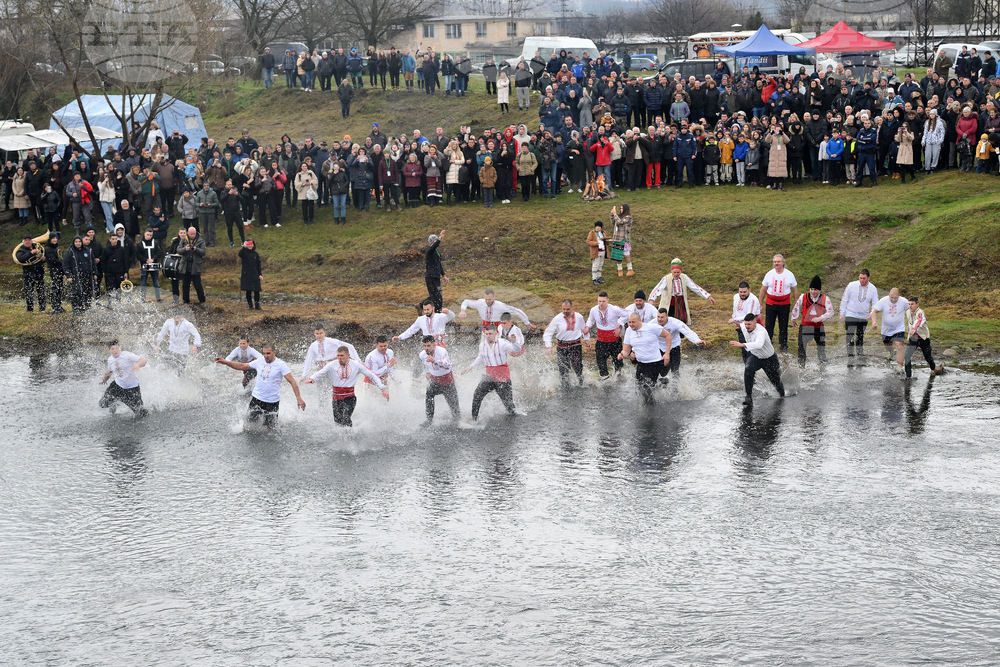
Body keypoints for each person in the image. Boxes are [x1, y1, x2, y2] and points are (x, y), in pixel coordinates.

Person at [215, 343, 305, 433]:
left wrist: (299, 398)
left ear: (274, 352)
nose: (266, 356)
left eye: (268, 353)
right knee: (246, 426)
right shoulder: (260, 361)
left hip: (272, 402)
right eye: (264, 353)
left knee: (269, 431)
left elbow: (292, 382)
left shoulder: (281, 365)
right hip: (257, 399)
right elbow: (243, 366)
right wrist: (226, 362)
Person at [305, 345, 389, 427]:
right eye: (338, 355)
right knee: (338, 423)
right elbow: (321, 372)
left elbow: (371, 375)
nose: (340, 358)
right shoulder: (332, 365)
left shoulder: (356, 365)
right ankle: (341, 439)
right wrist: (312, 378)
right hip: (336, 399)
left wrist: (382, 388)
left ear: (348, 355)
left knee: (346, 418)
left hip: (350, 397)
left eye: (342, 356)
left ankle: (350, 437)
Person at [461, 325, 523, 421]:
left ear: (495, 334)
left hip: (503, 378)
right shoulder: (482, 345)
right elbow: (480, 357)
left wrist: (514, 342)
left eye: (490, 334)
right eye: (486, 334)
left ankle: (514, 422)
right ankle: (474, 420)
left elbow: (517, 349)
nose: (488, 336)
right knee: (477, 395)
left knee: (509, 406)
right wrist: (471, 367)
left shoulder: (503, 343)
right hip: (489, 378)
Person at [730, 313, 785, 406]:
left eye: (749, 324)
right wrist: (733, 320)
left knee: (775, 381)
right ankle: (748, 397)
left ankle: (783, 397)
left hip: (769, 359)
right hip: (755, 356)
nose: (747, 327)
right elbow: (740, 322)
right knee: (748, 369)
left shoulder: (761, 331)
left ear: (755, 323)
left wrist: (742, 344)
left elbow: (759, 344)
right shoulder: (744, 326)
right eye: (746, 324)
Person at [618, 313, 672, 405]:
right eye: (629, 322)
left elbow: (668, 335)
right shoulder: (629, 331)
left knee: (647, 390)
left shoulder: (651, 328)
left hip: (654, 363)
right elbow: (626, 349)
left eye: (633, 322)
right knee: (639, 387)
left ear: (639, 321)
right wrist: (622, 354)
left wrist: (667, 354)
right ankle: (662, 382)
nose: (631, 324)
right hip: (641, 364)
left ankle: (651, 412)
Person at [648, 257, 716, 323]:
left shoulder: (684, 277)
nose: (676, 274)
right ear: (671, 270)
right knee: (667, 322)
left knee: (682, 321)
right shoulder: (666, 279)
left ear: (681, 271)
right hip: (669, 304)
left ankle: (681, 334)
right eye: (674, 272)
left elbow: (695, 287)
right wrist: (651, 299)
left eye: (678, 272)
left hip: (681, 304)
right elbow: (658, 289)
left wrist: (708, 296)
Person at [543, 299, 588, 388]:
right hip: (562, 347)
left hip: (576, 345)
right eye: (563, 309)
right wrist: (549, 346)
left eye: (567, 309)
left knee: (577, 366)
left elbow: (584, 329)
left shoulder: (579, 317)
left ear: (572, 308)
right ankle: (565, 388)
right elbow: (547, 333)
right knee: (563, 370)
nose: (565, 311)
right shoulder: (557, 319)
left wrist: (587, 339)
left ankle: (581, 383)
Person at [759, 254, 798, 353]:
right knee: (769, 326)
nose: (776, 263)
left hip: (784, 305)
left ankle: (783, 348)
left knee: (783, 326)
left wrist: (796, 305)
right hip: (771, 304)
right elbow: (763, 289)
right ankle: (767, 346)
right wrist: (760, 303)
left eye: (778, 262)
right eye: (775, 262)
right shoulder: (769, 274)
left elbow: (795, 290)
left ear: (783, 263)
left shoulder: (789, 274)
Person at [583, 292, 628, 379]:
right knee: (601, 362)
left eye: (603, 301)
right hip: (601, 341)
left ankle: (618, 379)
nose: (601, 303)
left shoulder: (614, 309)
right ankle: (605, 381)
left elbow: (627, 315)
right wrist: (587, 327)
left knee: (618, 362)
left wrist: (619, 326)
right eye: (599, 301)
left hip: (614, 341)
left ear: (608, 300)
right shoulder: (594, 310)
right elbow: (591, 320)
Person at [839, 269, 879, 366]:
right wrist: (842, 313)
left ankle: (860, 353)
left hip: (863, 316)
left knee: (860, 336)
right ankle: (850, 355)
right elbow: (844, 299)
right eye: (860, 278)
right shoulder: (851, 285)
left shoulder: (873, 288)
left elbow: (875, 303)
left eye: (864, 278)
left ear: (868, 278)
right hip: (850, 314)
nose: (862, 280)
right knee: (850, 335)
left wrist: (871, 313)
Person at [99, 340, 148, 418]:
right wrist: (104, 379)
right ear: (109, 350)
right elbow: (109, 371)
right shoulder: (110, 360)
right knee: (103, 404)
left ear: (120, 348)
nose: (115, 351)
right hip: (117, 386)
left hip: (132, 388)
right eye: (112, 349)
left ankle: (119, 399)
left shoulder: (127, 355)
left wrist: (138, 365)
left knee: (141, 412)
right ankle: (116, 401)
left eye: (117, 348)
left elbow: (143, 360)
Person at [791, 275, 833, 365]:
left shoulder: (825, 299)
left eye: (816, 290)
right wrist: (793, 318)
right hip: (805, 326)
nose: (813, 291)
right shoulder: (803, 296)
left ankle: (822, 365)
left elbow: (831, 312)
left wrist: (820, 318)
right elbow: (796, 307)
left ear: (819, 290)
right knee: (801, 346)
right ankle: (801, 365)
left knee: (821, 347)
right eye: (812, 289)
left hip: (819, 327)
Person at [656, 307, 706, 382]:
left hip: (674, 347)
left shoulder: (675, 322)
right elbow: (643, 333)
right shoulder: (653, 323)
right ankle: (664, 383)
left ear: (667, 317)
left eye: (662, 317)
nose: (659, 319)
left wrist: (697, 340)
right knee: (663, 372)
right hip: (661, 348)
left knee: (675, 370)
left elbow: (687, 331)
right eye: (658, 317)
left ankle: (677, 389)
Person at [420, 335, 460, 426]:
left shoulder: (442, 351)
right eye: (424, 346)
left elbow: (447, 364)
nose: (426, 348)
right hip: (435, 380)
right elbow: (426, 364)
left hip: (447, 381)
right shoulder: (422, 354)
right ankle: (429, 420)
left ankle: (457, 422)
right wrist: (427, 372)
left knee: (454, 406)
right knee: (429, 395)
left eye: (428, 346)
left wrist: (434, 360)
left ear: (434, 344)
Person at [903, 296, 943, 379]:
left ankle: (934, 369)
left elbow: (919, 322)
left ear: (917, 304)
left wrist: (913, 330)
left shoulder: (921, 313)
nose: (910, 306)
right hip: (913, 339)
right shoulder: (907, 312)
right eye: (909, 304)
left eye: (912, 304)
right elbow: (910, 323)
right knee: (907, 357)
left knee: (928, 357)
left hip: (923, 338)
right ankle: (908, 377)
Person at [871, 287, 909, 373]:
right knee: (888, 346)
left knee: (899, 345)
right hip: (886, 329)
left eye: (896, 298)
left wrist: (911, 323)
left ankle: (899, 368)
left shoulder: (904, 301)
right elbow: (874, 312)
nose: (893, 300)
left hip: (899, 328)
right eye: (891, 297)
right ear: (889, 295)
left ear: (899, 296)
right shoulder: (883, 301)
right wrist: (874, 322)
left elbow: (911, 311)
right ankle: (891, 352)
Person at [459, 288, 534, 332]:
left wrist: (527, 323)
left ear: (494, 297)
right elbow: (466, 302)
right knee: (484, 350)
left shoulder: (500, 305)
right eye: (486, 299)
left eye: (489, 299)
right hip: (486, 329)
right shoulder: (480, 303)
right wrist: (463, 310)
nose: (487, 301)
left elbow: (517, 311)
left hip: (498, 329)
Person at [62, 234, 95, 315]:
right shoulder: (70, 252)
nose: (78, 243)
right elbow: (65, 265)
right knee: (76, 293)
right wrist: (68, 275)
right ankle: (77, 309)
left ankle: (87, 306)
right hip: (75, 277)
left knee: (87, 292)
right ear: (74, 242)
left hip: (86, 276)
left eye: (79, 241)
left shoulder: (87, 250)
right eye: (76, 242)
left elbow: (93, 263)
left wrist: (94, 273)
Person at [15, 234, 46, 312]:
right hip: (28, 274)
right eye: (26, 240)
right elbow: (21, 258)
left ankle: (42, 309)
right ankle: (30, 309)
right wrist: (31, 253)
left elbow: (43, 255)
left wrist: (43, 259)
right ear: (23, 242)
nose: (28, 242)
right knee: (29, 292)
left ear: (31, 241)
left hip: (39, 272)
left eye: (29, 240)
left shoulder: (37, 246)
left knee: (41, 291)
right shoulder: (21, 250)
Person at [180, 226, 206, 306]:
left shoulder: (201, 241)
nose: (193, 235)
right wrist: (185, 249)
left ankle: (202, 301)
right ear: (188, 233)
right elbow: (178, 250)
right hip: (186, 265)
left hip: (196, 266)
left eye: (194, 234)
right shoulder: (184, 240)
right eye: (191, 234)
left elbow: (203, 252)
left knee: (198, 285)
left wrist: (196, 249)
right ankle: (185, 301)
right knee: (185, 285)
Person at [423, 230, 448, 312]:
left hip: (436, 277)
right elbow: (433, 247)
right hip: (430, 277)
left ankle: (421, 306)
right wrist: (440, 237)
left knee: (439, 295)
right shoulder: (429, 251)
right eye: (435, 241)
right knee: (434, 296)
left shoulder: (437, 253)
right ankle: (438, 312)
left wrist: (444, 275)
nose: (437, 242)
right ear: (432, 242)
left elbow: (439, 264)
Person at [610, 203, 634, 277]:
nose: (620, 210)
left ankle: (630, 269)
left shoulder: (628, 217)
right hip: (617, 238)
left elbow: (621, 222)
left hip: (624, 239)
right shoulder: (618, 217)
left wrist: (615, 215)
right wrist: (612, 214)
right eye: (620, 208)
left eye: (622, 208)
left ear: (625, 209)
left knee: (626, 255)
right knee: (617, 255)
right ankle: (619, 270)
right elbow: (613, 222)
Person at [238, 238, 262, 310]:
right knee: (248, 290)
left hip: (255, 274)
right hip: (247, 274)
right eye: (249, 244)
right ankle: (250, 305)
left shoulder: (256, 254)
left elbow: (258, 264)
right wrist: (244, 247)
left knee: (257, 290)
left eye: (251, 244)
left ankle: (257, 304)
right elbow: (240, 254)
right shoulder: (244, 253)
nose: (250, 246)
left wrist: (260, 274)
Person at [195, 182, 219, 247]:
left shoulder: (213, 193)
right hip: (202, 212)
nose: (206, 187)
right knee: (204, 228)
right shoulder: (199, 193)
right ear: (203, 187)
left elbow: (217, 203)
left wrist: (210, 205)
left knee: (212, 228)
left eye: (207, 185)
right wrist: (200, 204)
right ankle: (206, 241)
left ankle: (212, 241)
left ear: (209, 186)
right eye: (205, 186)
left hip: (211, 212)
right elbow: (196, 203)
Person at [586, 220, 607, 286]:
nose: (598, 228)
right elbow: (588, 241)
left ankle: (599, 277)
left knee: (600, 265)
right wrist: (595, 243)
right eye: (596, 226)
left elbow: (606, 242)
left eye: (599, 226)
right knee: (595, 265)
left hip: (602, 250)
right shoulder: (592, 233)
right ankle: (594, 278)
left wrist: (607, 240)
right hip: (596, 251)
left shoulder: (603, 233)